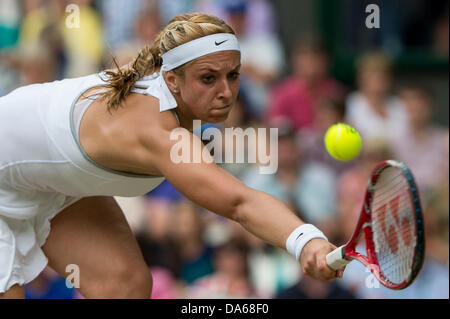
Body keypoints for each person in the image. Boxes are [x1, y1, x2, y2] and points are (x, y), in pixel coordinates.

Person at [0, 12, 343, 299]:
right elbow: (239, 203)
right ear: (172, 79)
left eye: (233, 75)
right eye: (208, 78)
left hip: (50, 182)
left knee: (127, 286)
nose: (226, 92)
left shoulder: (166, 82)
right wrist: (305, 240)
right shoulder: (158, 133)